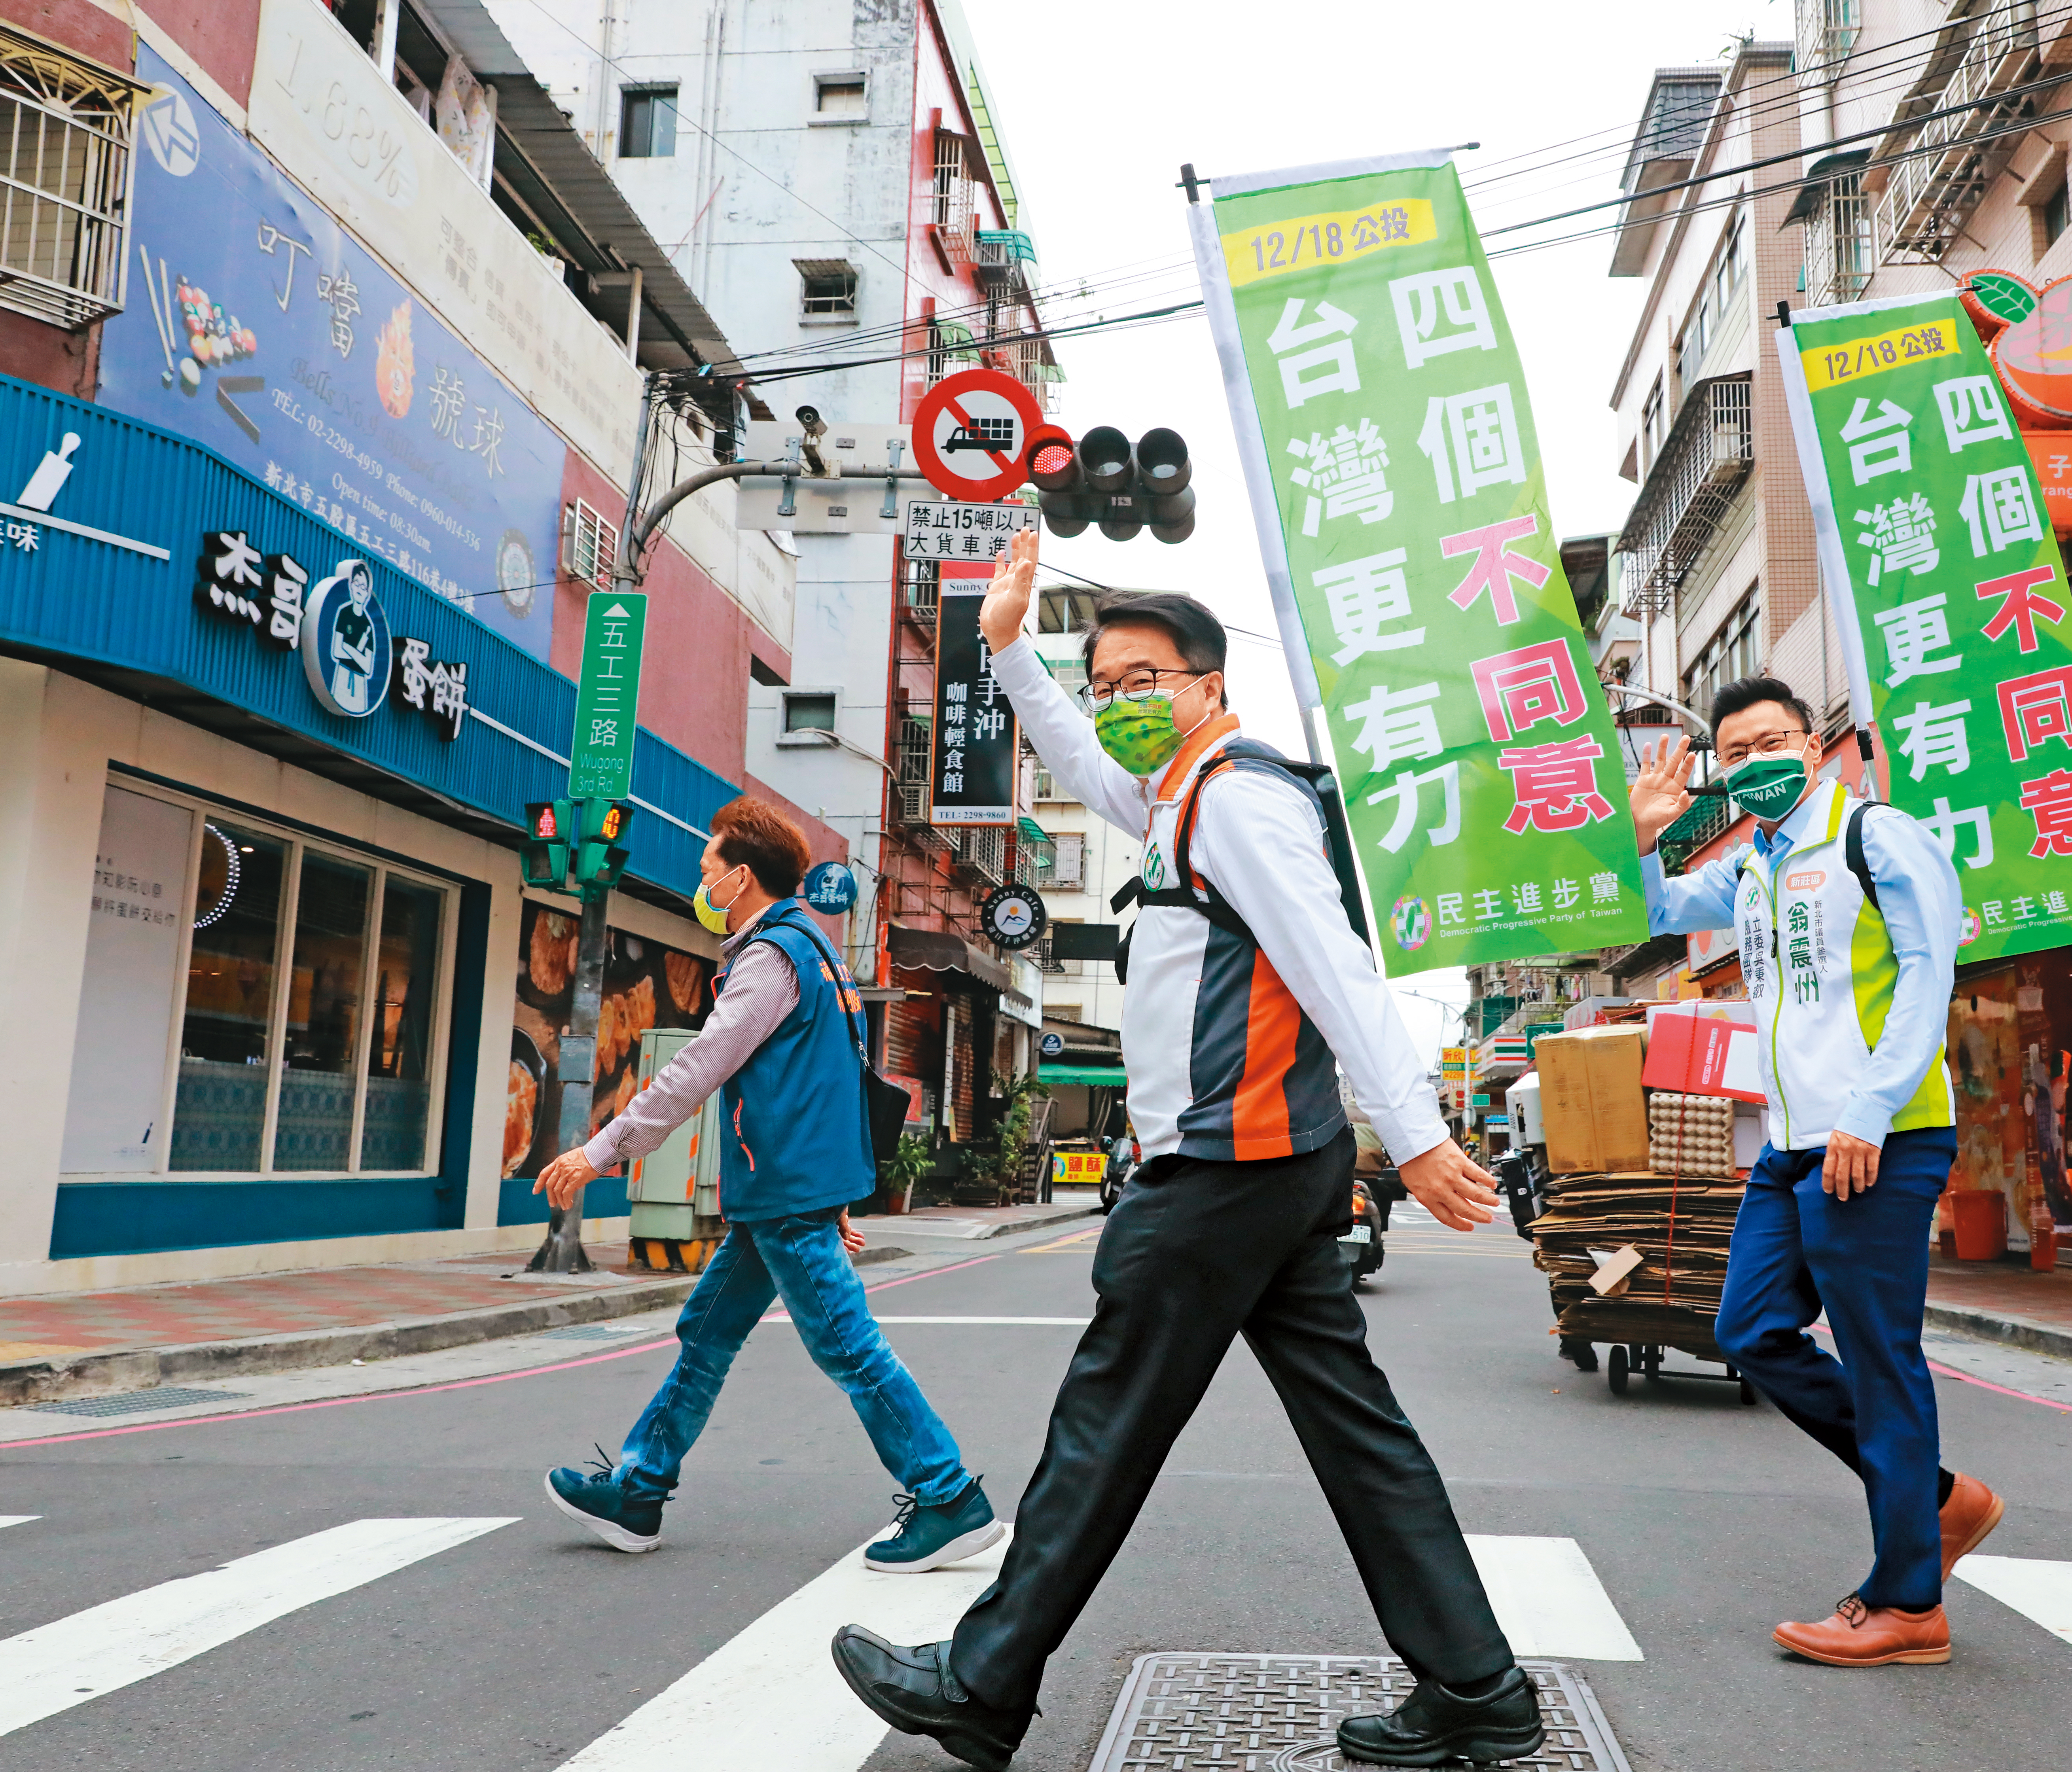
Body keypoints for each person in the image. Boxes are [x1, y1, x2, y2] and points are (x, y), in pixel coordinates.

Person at [832, 530, 1540, 1772]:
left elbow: (1333, 969)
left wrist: (1420, 1138)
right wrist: (1007, 652)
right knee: (1356, 1431)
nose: (1123, 704)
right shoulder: (1174, 801)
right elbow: (1075, 756)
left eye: (1145, 680)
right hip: (1257, 1167)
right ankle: (1477, 1687)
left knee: (1104, 1423)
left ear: (1211, 684)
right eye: (1107, 685)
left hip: (1226, 1169)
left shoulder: (1241, 798)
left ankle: (985, 1680)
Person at [1627, 676, 2001, 1668]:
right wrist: (1654, 832)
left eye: (1771, 741)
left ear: (1815, 741)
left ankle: (1909, 1602)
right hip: (1794, 1142)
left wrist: (1869, 1113)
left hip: (1881, 1136)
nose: (1756, 763)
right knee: (1747, 1327)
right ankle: (1937, 1497)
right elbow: (1662, 905)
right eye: (1736, 753)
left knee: (1882, 1359)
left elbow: (1929, 974)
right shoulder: (1751, 864)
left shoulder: (1878, 836)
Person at [534, 795, 1001, 1573]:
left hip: (784, 1192)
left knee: (848, 1346)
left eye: (708, 869)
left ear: (741, 877)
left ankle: (947, 1493)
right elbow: (842, 1080)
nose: (701, 881)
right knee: (707, 1332)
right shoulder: (813, 948)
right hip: (784, 1192)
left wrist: (605, 1148)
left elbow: (700, 1064)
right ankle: (641, 1488)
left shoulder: (769, 957)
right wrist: (840, 1190)